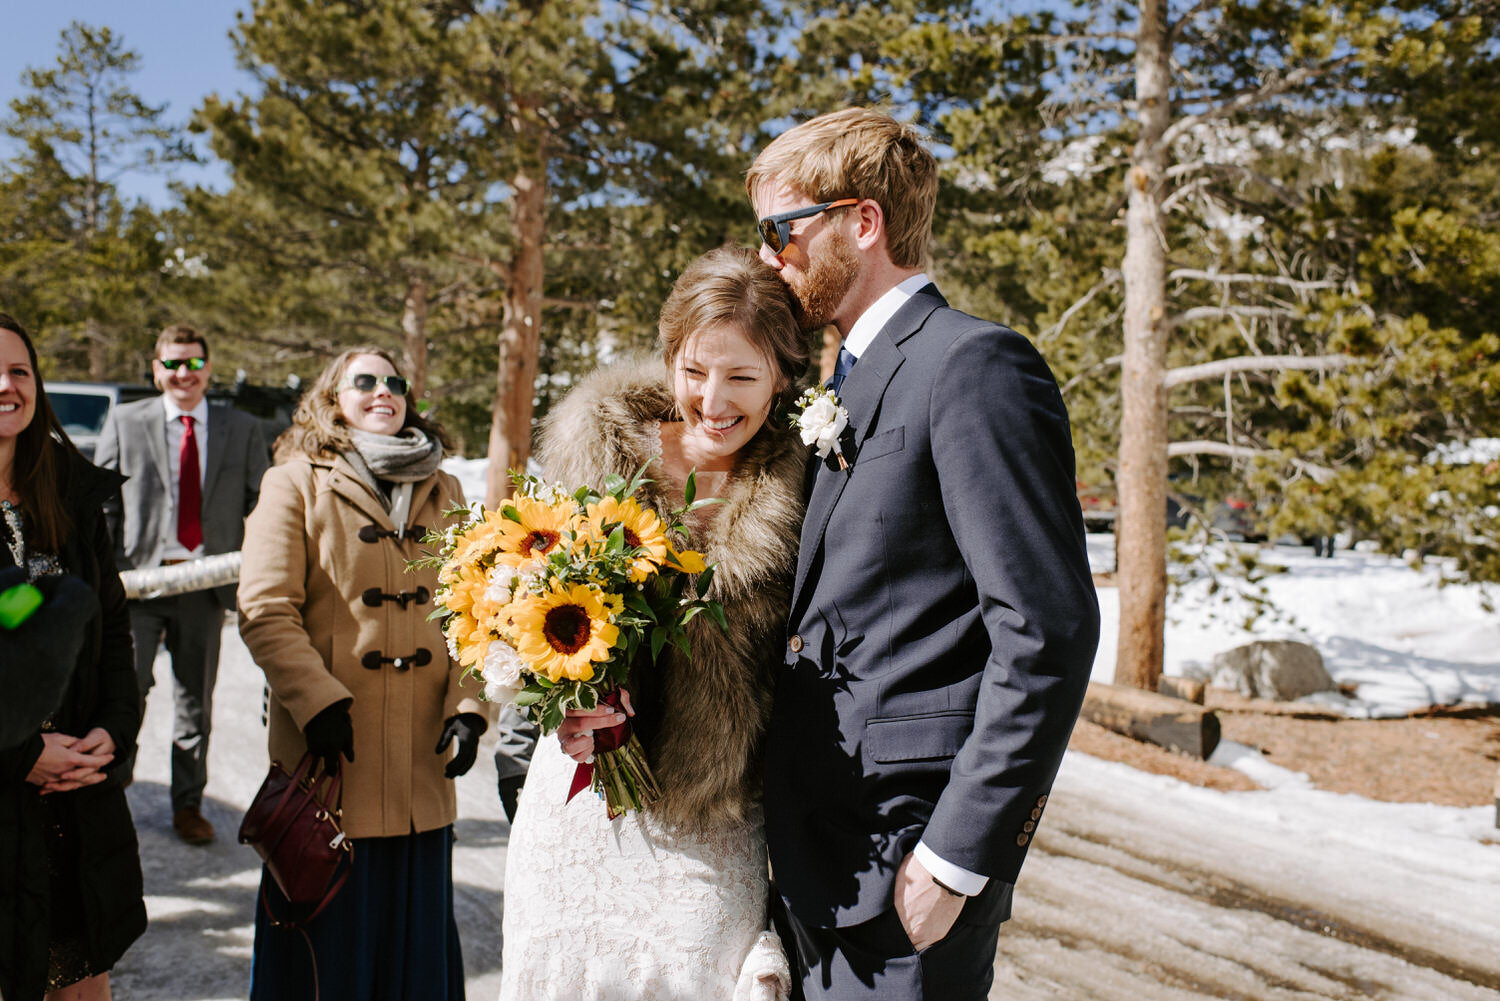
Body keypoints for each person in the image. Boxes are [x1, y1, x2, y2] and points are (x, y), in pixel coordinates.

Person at [746, 109, 1101, 999]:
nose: (766, 258)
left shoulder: (973, 365)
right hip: (818, 852)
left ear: (861, 223)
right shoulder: (845, 379)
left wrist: (957, 855)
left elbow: (1047, 629)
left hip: (907, 863)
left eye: (780, 231)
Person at [498, 246, 808, 1001]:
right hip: (579, 810)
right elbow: (513, 608)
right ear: (669, 355)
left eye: (742, 376)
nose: (713, 399)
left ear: (782, 377)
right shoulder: (593, 451)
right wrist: (559, 696)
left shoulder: (810, 483)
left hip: (715, 818)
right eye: (695, 370)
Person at [237, 347, 486, 1001]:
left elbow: (480, 608)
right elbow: (264, 609)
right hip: (329, 779)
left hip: (421, 781)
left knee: (414, 965)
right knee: (328, 968)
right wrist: (315, 702)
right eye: (365, 381)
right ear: (331, 398)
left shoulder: (448, 488)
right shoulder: (294, 481)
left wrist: (470, 704)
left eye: (395, 382)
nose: (385, 391)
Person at [0, 314, 147, 1001]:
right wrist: (19, 753)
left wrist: (113, 734)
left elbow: (113, 630)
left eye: (19, 371)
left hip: (77, 809)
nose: (5, 385)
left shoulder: (70, 493)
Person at [95, 324, 270, 845]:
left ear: (208, 369)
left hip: (204, 589)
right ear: (155, 370)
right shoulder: (127, 422)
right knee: (126, 693)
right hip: (138, 588)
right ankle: (107, 795)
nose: (182, 374)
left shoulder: (241, 427)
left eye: (192, 363)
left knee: (196, 701)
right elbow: (101, 504)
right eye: (171, 364)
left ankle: (188, 805)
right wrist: (105, 579)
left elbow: (261, 507)